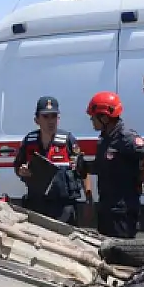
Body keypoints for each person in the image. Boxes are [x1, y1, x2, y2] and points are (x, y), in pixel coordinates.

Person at [80, 91, 144, 238]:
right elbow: (105, 167)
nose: (91, 120)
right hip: (107, 209)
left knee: (120, 256)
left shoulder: (126, 138)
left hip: (122, 213)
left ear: (104, 117)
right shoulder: (105, 139)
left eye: (93, 117)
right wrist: (85, 166)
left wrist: (138, 180)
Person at [12, 96, 89, 225]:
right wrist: (21, 171)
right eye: (45, 116)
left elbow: (83, 171)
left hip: (64, 207)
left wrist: (88, 199)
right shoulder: (29, 141)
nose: (50, 121)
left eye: (53, 116)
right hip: (37, 205)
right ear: (36, 119)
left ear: (58, 118)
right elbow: (17, 166)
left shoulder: (67, 139)